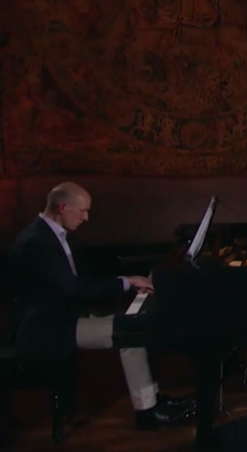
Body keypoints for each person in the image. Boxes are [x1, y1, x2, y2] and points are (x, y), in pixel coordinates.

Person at [7, 182, 195, 430]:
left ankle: (154, 399)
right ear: (63, 207)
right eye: (82, 211)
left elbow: (75, 282)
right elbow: (72, 289)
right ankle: (147, 412)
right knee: (131, 333)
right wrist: (126, 283)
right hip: (48, 328)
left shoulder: (50, 233)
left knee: (134, 326)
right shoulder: (37, 241)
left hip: (64, 315)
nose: (86, 218)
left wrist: (124, 283)